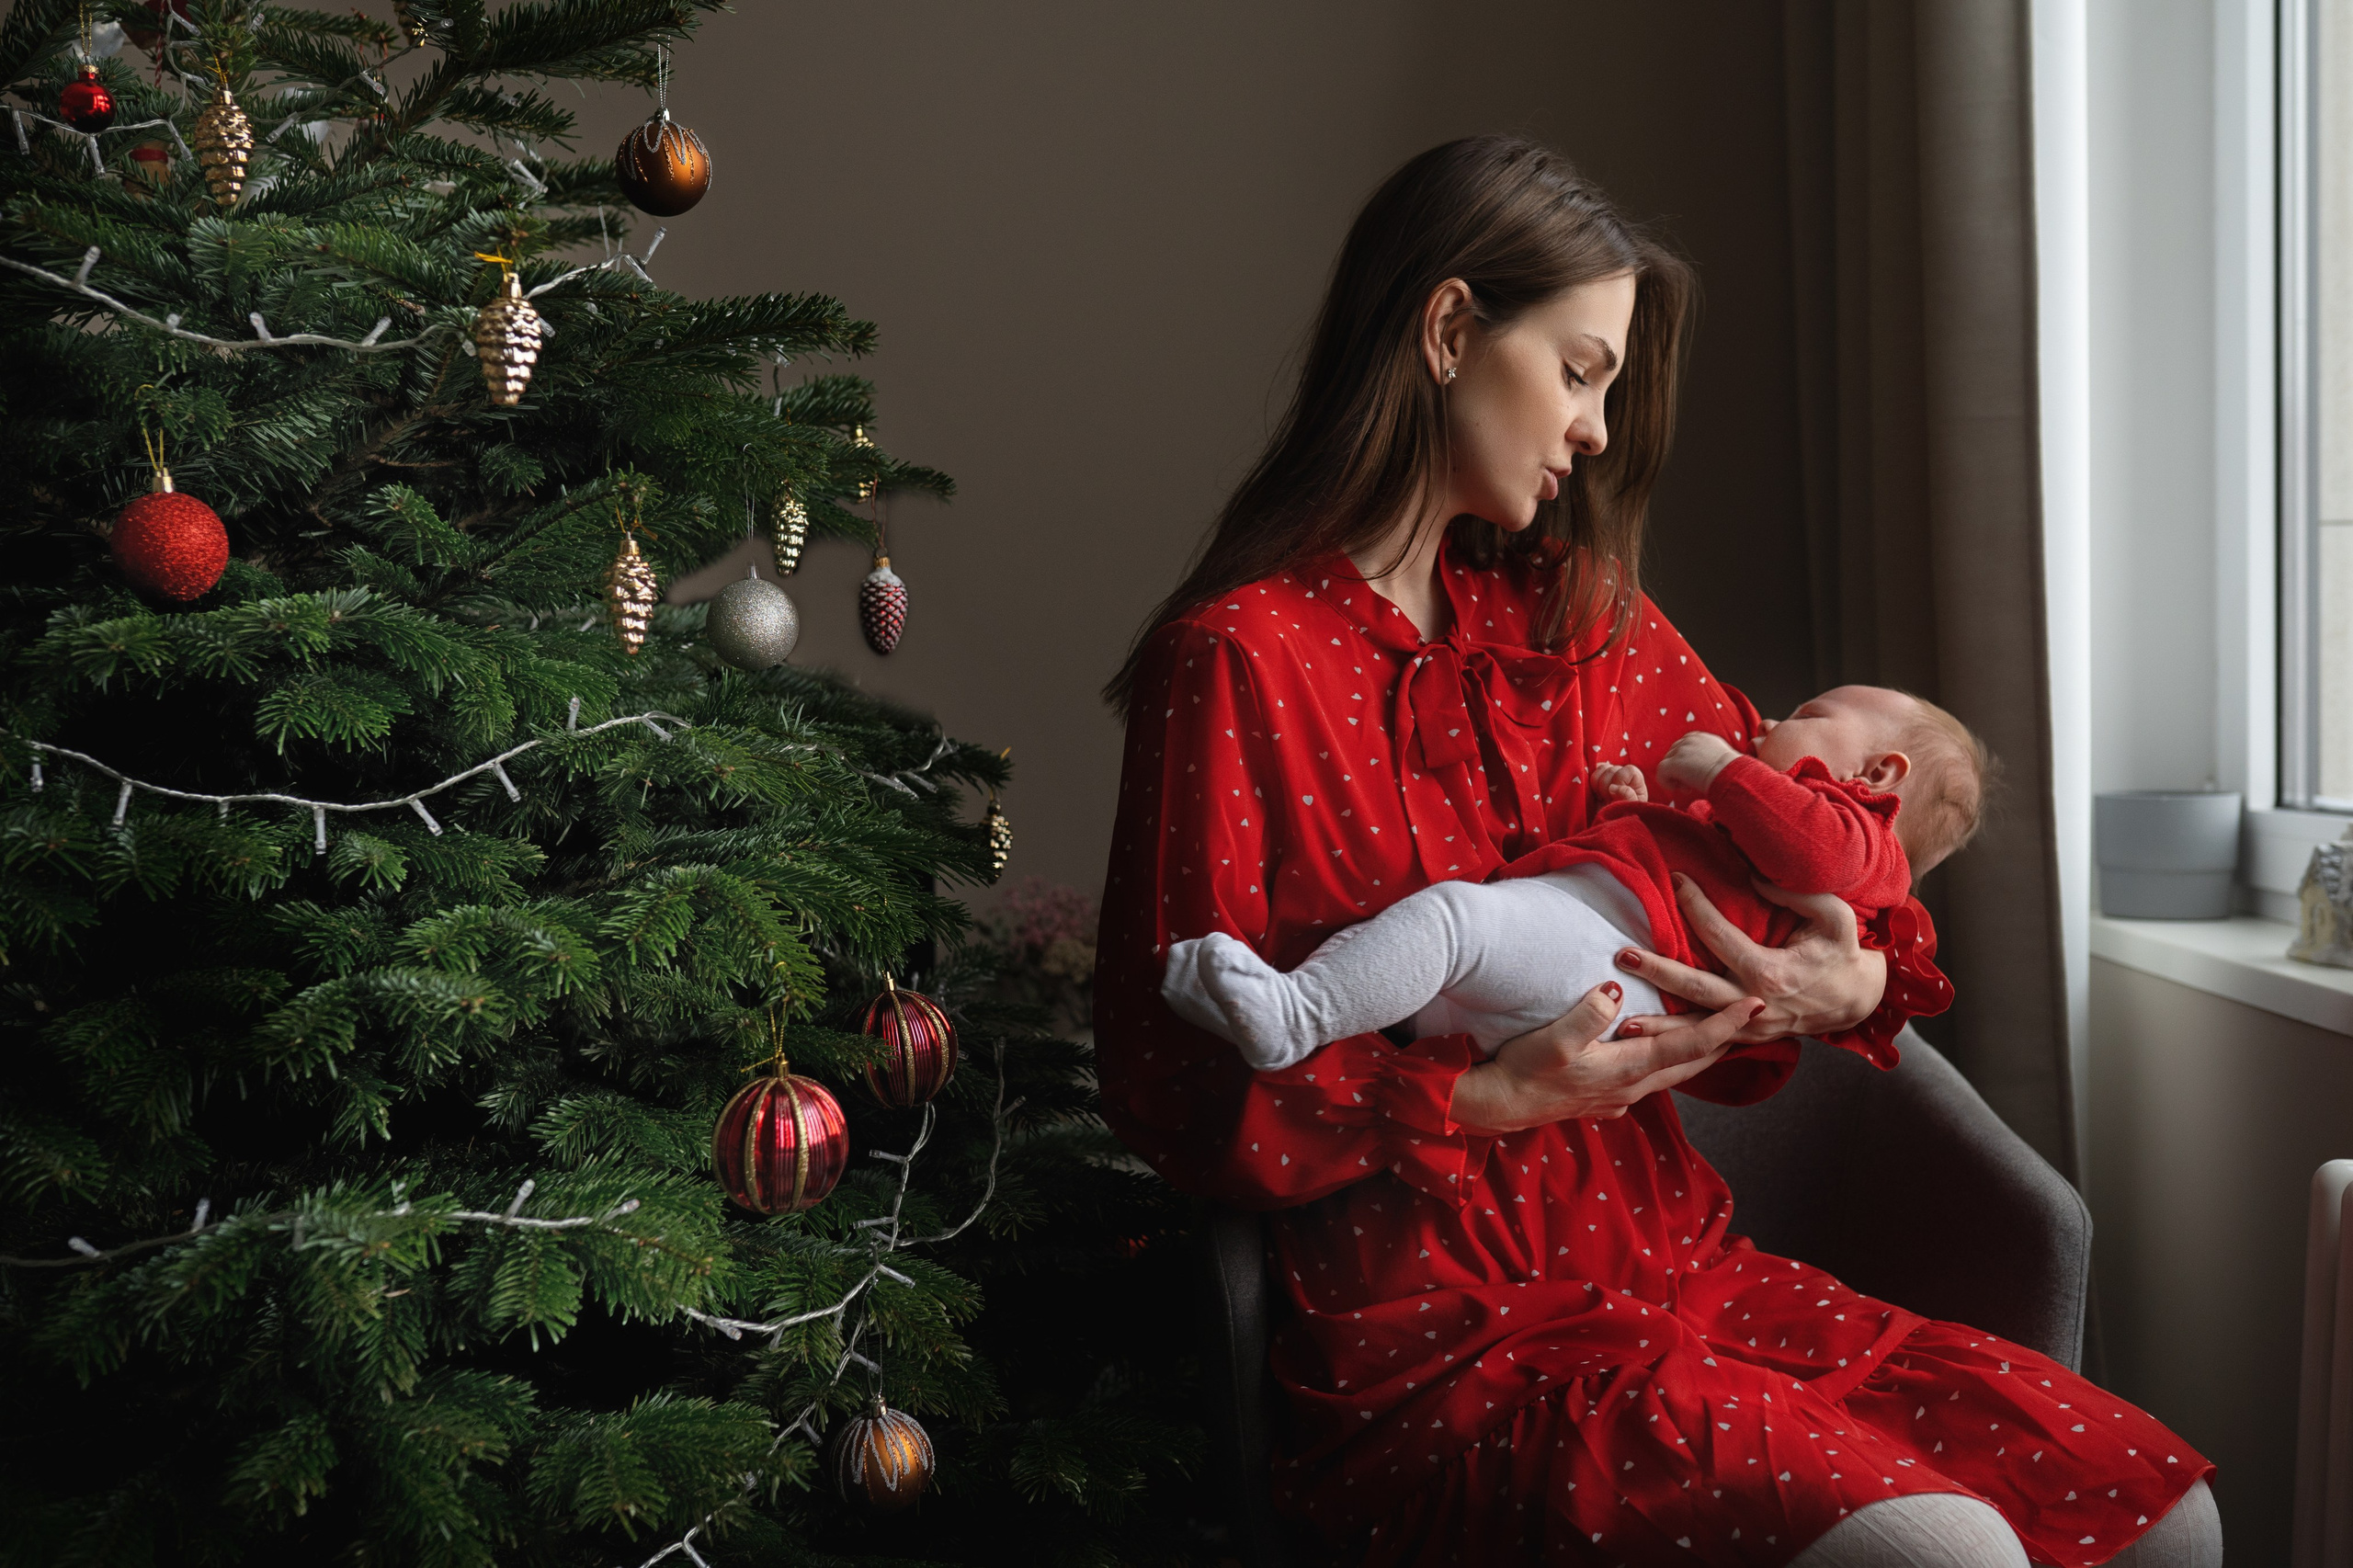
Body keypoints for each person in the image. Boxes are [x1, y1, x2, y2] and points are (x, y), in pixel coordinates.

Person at [1094, 135, 2219, 1566]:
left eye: (1609, 387)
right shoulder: (1242, 663)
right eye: (1580, 371)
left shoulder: (1594, 630)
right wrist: (1478, 1098)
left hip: (1683, 1272)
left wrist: (1854, 983)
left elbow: (1840, 843)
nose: (1599, 432)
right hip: (1440, 1349)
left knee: (2168, 1516)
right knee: (1951, 1555)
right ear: (1449, 331)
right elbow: (1172, 1084)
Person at [1161, 685, 1984, 1076]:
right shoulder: (1770, 830)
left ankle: (1295, 1016)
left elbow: (1816, 854)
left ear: (1879, 773)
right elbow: (1706, 861)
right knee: (1431, 985)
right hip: (1598, 962)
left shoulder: (1863, 845)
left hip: (1614, 963)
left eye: (1810, 715)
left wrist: (1727, 768)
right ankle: (1260, 1014)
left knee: (1453, 923)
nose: (1771, 721)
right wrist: (1635, 813)